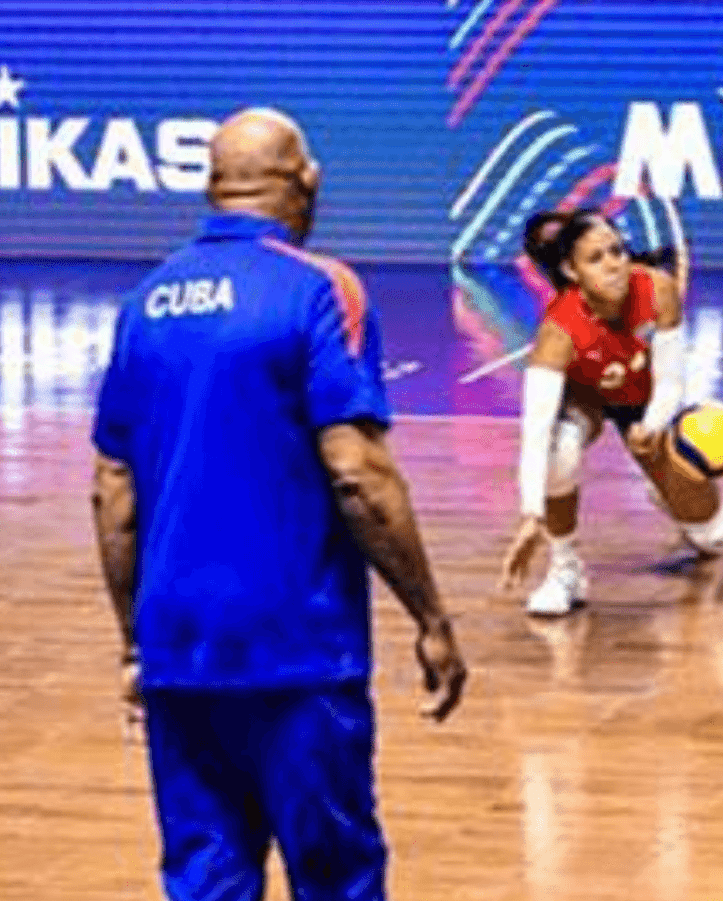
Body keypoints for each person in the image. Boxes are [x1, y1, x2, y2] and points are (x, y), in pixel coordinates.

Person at [89, 107, 466, 901]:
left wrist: (135, 644)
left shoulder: (144, 303)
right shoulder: (321, 290)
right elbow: (358, 473)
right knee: (335, 877)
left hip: (178, 651)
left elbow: (113, 493)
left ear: (212, 186)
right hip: (297, 649)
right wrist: (431, 616)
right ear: (308, 180)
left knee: (207, 878)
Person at [497, 208, 723, 616]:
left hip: (642, 399)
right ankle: (565, 568)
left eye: (617, 251)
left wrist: (652, 426)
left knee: (718, 538)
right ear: (572, 272)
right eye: (596, 258)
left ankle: (667, 494)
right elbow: (535, 432)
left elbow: (671, 382)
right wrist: (531, 514)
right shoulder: (559, 330)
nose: (613, 264)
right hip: (584, 396)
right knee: (560, 451)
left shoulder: (658, 289)